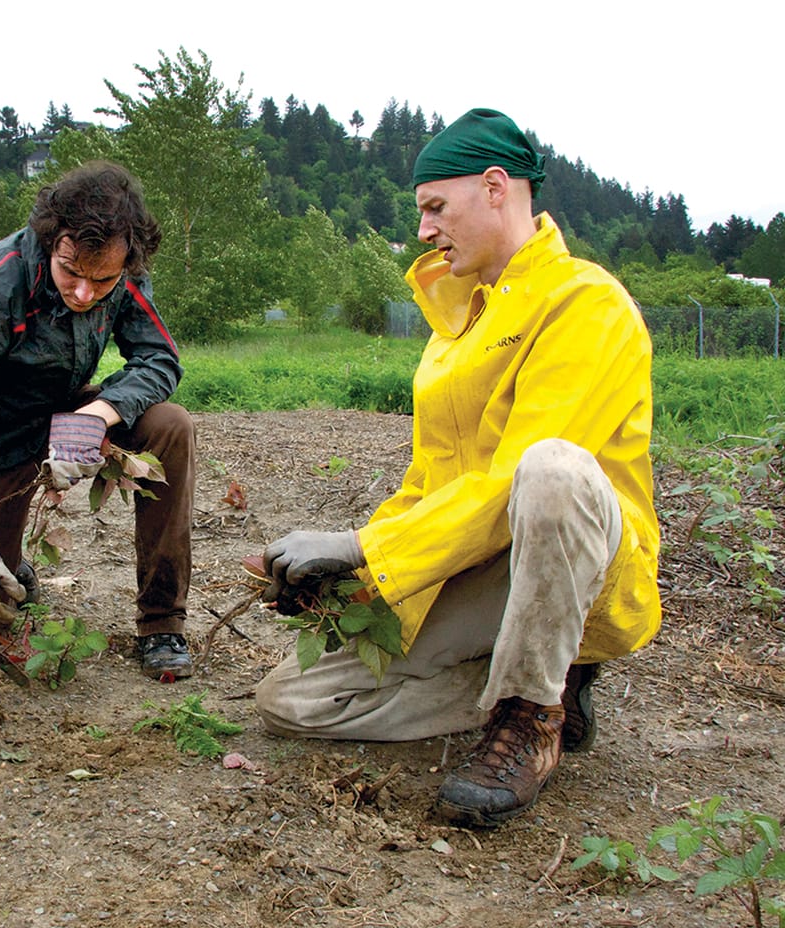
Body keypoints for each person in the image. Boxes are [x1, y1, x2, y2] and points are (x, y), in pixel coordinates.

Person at [254, 109, 661, 827]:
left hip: (578, 562)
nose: (424, 230)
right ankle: (544, 679)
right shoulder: (458, 326)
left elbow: (517, 483)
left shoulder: (586, 304)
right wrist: (355, 576)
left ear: (497, 187)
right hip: (482, 560)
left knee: (552, 470)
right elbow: (430, 486)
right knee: (293, 701)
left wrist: (361, 549)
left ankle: (531, 715)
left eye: (435, 207)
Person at [0, 161, 196, 682]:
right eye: (71, 273)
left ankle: (162, 622)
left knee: (170, 425)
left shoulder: (122, 271)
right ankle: (6, 560)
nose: (86, 293)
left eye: (102, 279)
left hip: (66, 413)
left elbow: (160, 359)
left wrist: (97, 414)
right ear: (49, 239)